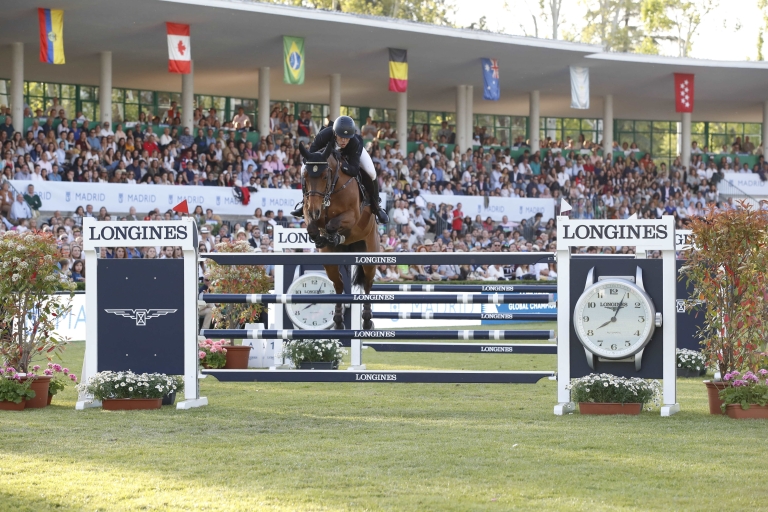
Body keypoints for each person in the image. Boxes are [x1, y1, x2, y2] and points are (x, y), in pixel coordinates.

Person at [290, 116, 389, 224]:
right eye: (341, 137)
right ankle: (304, 202)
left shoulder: (354, 143)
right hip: (324, 157)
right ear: (335, 133)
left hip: (349, 157)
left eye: (347, 138)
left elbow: (354, 170)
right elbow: (309, 157)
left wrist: (342, 165)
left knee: (371, 172)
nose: (344, 141)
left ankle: (377, 207)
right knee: (303, 169)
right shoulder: (324, 136)